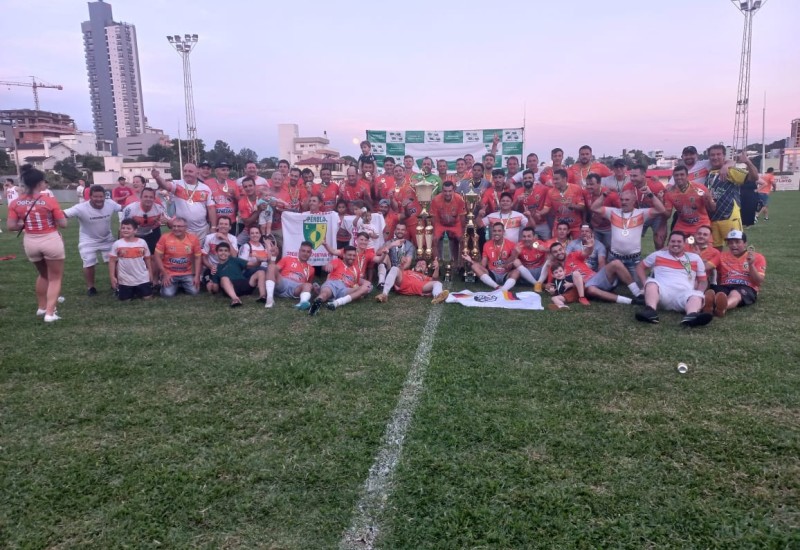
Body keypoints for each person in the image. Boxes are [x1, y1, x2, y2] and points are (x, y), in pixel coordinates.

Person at [6, 164, 67, 322]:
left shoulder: (15, 203)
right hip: (50, 239)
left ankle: (41, 307)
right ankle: (50, 313)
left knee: (43, 275)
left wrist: (24, 224)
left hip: (31, 242)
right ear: (40, 183)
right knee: (55, 278)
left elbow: (11, 226)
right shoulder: (49, 200)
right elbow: (63, 223)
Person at [634, 231, 712, 327]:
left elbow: (703, 281)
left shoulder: (695, 258)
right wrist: (644, 283)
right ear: (668, 243)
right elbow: (640, 267)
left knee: (697, 295)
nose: (675, 244)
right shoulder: (658, 255)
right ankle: (651, 312)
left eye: (679, 242)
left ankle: (691, 316)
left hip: (684, 295)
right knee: (651, 282)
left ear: (684, 243)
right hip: (662, 294)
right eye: (673, 241)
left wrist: (700, 293)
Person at [591, 189, 666, 283]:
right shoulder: (613, 212)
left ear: (634, 201)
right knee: (607, 285)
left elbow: (661, 209)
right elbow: (594, 208)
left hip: (633, 259)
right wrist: (604, 195)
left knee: (639, 287)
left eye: (627, 200)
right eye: (621, 199)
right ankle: (619, 278)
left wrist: (650, 194)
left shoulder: (641, 213)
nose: (623, 202)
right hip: (614, 258)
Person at [64, 184, 122, 295]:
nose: (99, 199)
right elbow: (63, 214)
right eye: (96, 197)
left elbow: (124, 208)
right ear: (90, 197)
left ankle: (116, 284)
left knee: (114, 260)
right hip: (88, 239)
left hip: (107, 238)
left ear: (105, 196)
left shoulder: (110, 204)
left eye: (101, 197)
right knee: (89, 262)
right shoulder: (81, 207)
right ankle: (91, 288)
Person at [704, 229, 766, 317]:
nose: (733, 245)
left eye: (737, 242)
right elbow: (706, 267)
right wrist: (696, 257)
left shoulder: (757, 257)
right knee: (715, 292)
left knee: (735, 293)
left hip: (746, 287)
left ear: (745, 243)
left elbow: (758, 281)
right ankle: (709, 306)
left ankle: (723, 307)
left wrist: (751, 265)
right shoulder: (721, 256)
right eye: (730, 242)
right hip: (725, 285)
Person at [706, 146, 757, 248]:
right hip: (713, 218)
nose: (715, 157)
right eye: (712, 155)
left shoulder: (730, 171)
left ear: (724, 156)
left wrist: (747, 162)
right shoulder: (709, 173)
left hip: (729, 216)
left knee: (736, 247)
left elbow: (754, 177)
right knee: (715, 250)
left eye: (718, 154)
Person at [151, 164, 216, 241]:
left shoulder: (205, 188)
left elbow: (211, 209)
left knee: (201, 252)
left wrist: (213, 227)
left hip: (201, 230)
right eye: (185, 171)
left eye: (190, 171)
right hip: (183, 229)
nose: (187, 173)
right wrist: (157, 177)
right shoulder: (177, 184)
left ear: (197, 173)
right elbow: (165, 185)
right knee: (183, 251)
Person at [309, 245, 372, 315]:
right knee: (325, 293)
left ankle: (336, 303)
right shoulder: (338, 261)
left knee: (365, 289)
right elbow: (330, 265)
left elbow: (358, 281)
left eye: (354, 255)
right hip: (333, 283)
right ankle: (316, 304)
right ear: (344, 255)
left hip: (345, 289)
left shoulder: (356, 269)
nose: (352, 257)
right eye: (349, 255)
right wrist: (328, 265)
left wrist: (367, 284)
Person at [461, 222, 520, 291]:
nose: (496, 233)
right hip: (492, 274)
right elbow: (483, 264)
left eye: (499, 231)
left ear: (503, 232)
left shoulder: (511, 244)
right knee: (474, 266)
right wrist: (471, 260)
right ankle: (496, 287)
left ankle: (504, 289)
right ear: (492, 232)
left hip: (506, 273)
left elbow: (514, 261)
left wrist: (511, 262)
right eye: (494, 231)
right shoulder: (487, 245)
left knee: (517, 271)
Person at [154, 217, 202, 297]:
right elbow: (157, 256)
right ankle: (164, 283)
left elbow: (197, 258)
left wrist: (197, 276)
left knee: (195, 292)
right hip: (169, 273)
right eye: (174, 226)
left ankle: (180, 285)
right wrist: (165, 274)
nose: (176, 228)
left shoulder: (193, 238)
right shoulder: (164, 238)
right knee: (167, 295)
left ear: (186, 227)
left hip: (187, 273)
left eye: (179, 226)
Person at [664, 164, 716, 238]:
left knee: (704, 248)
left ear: (687, 176)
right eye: (676, 175)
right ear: (673, 177)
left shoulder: (700, 188)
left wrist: (710, 199)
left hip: (701, 224)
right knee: (674, 244)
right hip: (682, 225)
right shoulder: (669, 193)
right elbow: (667, 215)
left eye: (682, 175)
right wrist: (658, 201)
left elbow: (712, 209)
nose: (679, 177)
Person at [623, 164, 667, 250]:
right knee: (630, 239)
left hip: (657, 215)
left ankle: (660, 259)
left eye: (635, 176)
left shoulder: (656, 185)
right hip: (639, 214)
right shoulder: (627, 187)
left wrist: (663, 225)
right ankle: (633, 260)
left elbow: (665, 208)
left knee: (659, 240)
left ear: (643, 176)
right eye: (631, 175)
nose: (632, 178)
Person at [109, 218, 154, 301]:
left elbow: (148, 259)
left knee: (148, 298)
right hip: (125, 279)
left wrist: (150, 273)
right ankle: (123, 290)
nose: (125, 230)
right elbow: (112, 261)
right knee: (126, 300)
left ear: (135, 230)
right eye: (123, 228)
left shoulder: (142, 242)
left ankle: (139, 290)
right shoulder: (117, 244)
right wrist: (112, 277)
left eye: (128, 228)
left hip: (142, 277)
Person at [211, 242, 267, 307]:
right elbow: (215, 289)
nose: (223, 253)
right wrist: (212, 285)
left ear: (229, 253)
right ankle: (235, 299)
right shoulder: (216, 268)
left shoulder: (235, 260)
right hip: (230, 288)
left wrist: (259, 261)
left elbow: (254, 265)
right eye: (220, 250)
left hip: (243, 283)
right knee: (224, 278)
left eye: (226, 251)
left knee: (261, 272)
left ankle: (263, 296)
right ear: (216, 253)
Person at [265, 240, 316, 309]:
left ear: (311, 254)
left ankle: (302, 302)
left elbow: (308, 285)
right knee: (271, 266)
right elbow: (273, 270)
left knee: (308, 285)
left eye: (308, 252)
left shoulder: (311, 269)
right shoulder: (287, 259)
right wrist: (274, 256)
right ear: (299, 251)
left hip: (296, 288)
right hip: (283, 282)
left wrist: (314, 289)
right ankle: (270, 298)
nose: (305, 253)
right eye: (303, 251)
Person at [537, 169, 584, 239]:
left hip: (575, 226)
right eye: (553, 179)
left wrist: (572, 205)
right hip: (559, 225)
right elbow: (546, 208)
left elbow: (583, 207)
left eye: (557, 179)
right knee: (556, 245)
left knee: (577, 246)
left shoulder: (576, 188)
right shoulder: (550, 192)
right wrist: (540, 213)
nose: (554, 182)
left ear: (565, 178)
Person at [378, 258, 449, 304]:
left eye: (423, 264)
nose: (420, 264)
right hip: (403, 282)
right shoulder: (407, 271)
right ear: (414, 267)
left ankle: (438, 297)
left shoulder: (425, 277)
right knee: (394, 268)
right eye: (419, 263)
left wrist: (437, 268)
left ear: (426, 270)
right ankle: (384, 294)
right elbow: (397, 272)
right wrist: (402, 263)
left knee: (438, 283)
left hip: (420, 286)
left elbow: (434, 279)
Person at [430, 180, 466, 268]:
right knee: (434, 240)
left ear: (453, 190)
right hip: (440, 223)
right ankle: (436, 263)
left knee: (462, 240)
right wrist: (434, 232)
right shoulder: (436, 200)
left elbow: (462, 218)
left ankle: (459, 264)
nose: (447, 194)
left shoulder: (459, 199)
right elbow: (433, 218)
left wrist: (463, 232)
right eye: (445, 191)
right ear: (442, 191)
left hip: (455, 224)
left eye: (450, 191)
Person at [122, 187, 166, 254]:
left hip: (151, 232)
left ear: (154, 199)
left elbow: (171, 224)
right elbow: (122, 228)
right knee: (135, 255)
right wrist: (121, 244)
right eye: (146, 196)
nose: (148, 199)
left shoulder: (159, 209)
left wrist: (167, 221)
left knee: (155, 254)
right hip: (135, 233)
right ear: (140, 198)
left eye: (151, 197)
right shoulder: (130, 209)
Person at [375, 222, 416, 294]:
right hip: (389, 268)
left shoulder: (409, 245)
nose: (400, 231)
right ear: (395, 231)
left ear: (405, 232)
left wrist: (399, 269)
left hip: (401, 271)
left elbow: (408, 263)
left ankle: (392, 282)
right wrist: (391, 245)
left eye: (402, 230)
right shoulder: (389, 242)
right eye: (398, 229)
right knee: (385, 254)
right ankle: (381, 282)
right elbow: (378, 253)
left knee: (403, 262)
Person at [201, 216, 238, 293]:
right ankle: (212, 282)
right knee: (211, 288)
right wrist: (211, 267)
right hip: (211, 268)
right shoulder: (209, 237)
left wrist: (225, 239)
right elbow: (203, 257)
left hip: (226, 268)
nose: (223, 226)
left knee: (222, 285)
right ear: (217, 226)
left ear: (230, 227)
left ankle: (221, 284)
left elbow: (234, 256)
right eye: (221, 224)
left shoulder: (233, 238)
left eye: (226, 224)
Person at [584, 173, 619, 250]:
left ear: (599, 183)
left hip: (609, 228)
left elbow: (620, 210)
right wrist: (587, 225)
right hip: (595, 228)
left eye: (592, 184)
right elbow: (586, 210)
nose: (589, 187)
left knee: (610, 249)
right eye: (587, 184)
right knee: (596, 249)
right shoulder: (586, 193)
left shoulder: (611, 195)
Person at [237, 176, 270, 244]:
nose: (248, 188)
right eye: (245, 187)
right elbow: (247, 222)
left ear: (255, 186)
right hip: (248, 230)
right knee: (235, 244)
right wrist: (259, 210)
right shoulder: (242, 202)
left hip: (264, 230)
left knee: (270, 248)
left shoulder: (263, 196)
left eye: (250, 185)